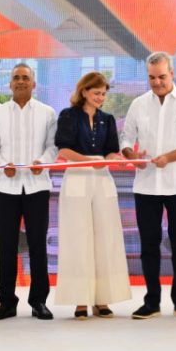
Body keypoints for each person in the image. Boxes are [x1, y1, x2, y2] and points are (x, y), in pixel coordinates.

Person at [122, 52, 176, 319]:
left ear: (172, 74)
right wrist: (131, 155)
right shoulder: (138, 104)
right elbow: (126, 137)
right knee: (149, 244)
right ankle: (151, 301)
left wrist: (169, 157)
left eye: (162, 77)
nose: (157, 82)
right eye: (152, 77)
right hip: (145, 186)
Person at [0, 63, 57, 321]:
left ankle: (39, 302)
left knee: (38, 246)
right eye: (16, 78)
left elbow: (53, 147)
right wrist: (4, 166)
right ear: (10, 84)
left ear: (34, 84)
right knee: (5, 247)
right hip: (5, 188)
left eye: (26, 78)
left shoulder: (48, 113)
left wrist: (42, 162)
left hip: (37, 187)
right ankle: (7, 303)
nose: (21, 81)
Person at [54, 72, 131, 319]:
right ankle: (80, 299)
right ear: (84, 91)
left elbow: (111, 152)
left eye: (103, 94)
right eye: (97, 93)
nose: (101, 98)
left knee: (106, 237)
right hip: (77, 178)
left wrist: (110, 159)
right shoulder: (68, 116)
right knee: (78, 238)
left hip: (102, 180)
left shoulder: (107, 119)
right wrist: (89, 161)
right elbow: (64, 149)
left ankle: (102, 298)